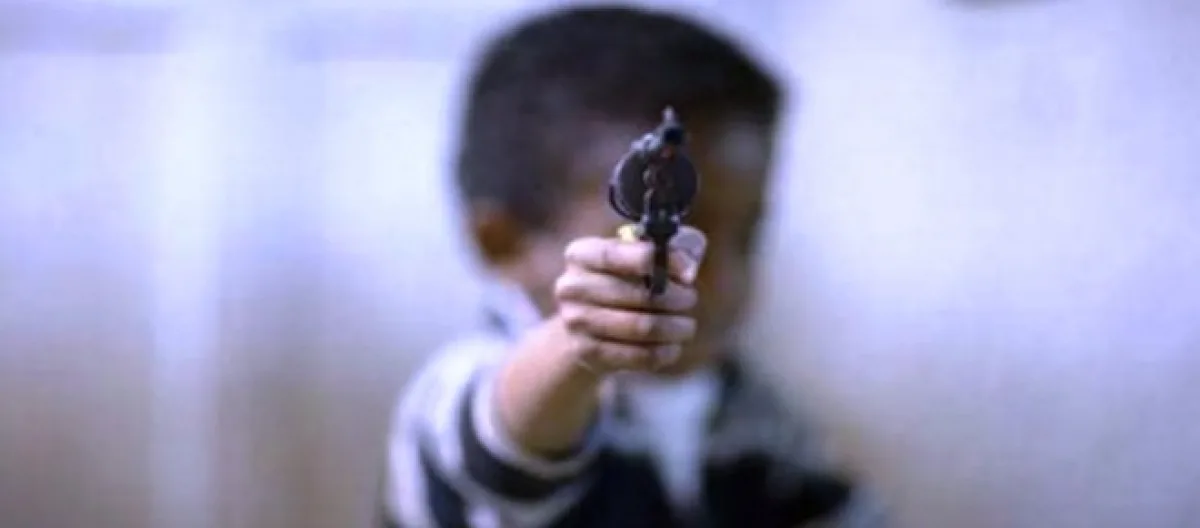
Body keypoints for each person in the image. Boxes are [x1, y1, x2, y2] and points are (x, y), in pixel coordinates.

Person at [379, 5, 885, 527]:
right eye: (664, 235)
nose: (720, 277)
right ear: (504, 243)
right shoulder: (455, 396)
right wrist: (578, 345)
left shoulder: (757, 420)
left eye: (746, 237)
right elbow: (506, 444)